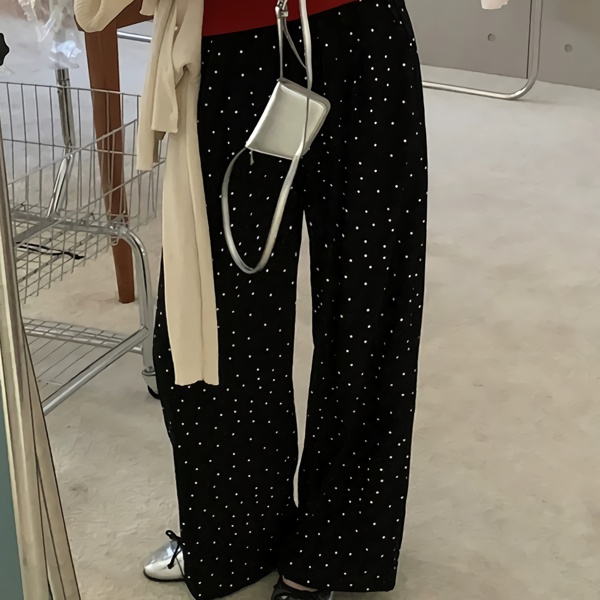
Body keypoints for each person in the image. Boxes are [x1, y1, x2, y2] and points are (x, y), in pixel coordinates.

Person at [147, 1, 427, 599]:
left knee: (367, 302)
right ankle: (232, 538)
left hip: (360, 28)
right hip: (227, 37)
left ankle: (332, 550)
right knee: (215, 318)